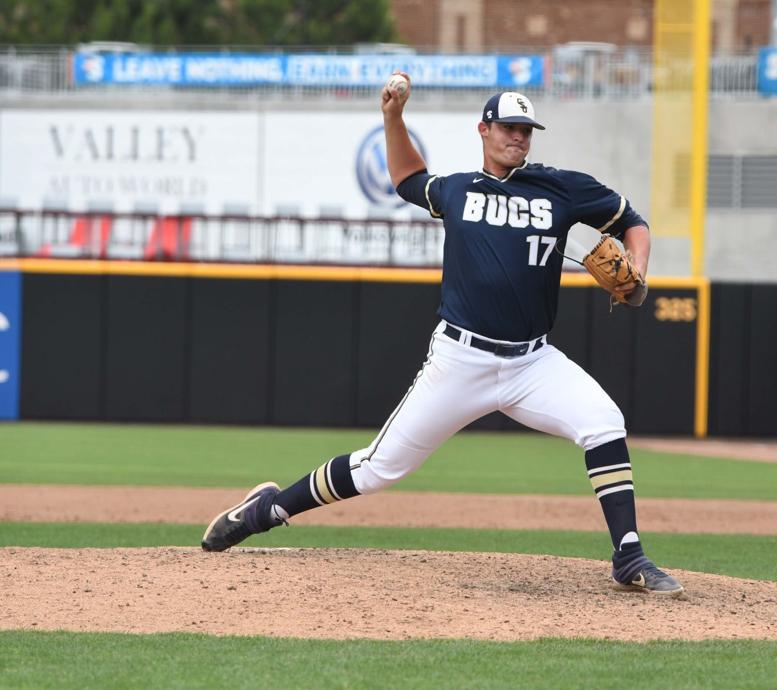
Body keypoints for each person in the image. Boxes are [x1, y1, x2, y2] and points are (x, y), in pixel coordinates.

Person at [200, 74, 684, 597]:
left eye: (526, 130)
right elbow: (409, 178)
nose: (518, 137)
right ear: (484, 129)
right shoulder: (457, 190)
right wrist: (392, 118)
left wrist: (638, 265)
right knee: (378, 468)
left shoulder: (560, 188)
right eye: (509, 127)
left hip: (531, 363)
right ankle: (268, 508)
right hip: (460, 359)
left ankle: (628, 555)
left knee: (603, 420)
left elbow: (632, 220)